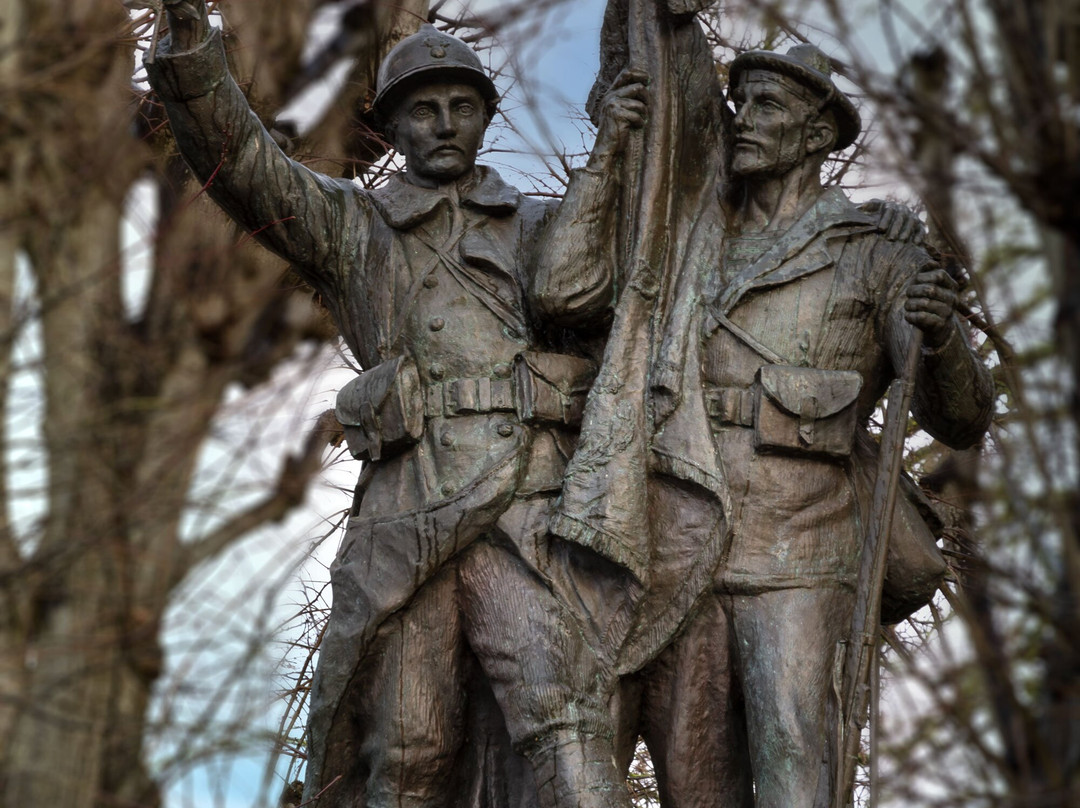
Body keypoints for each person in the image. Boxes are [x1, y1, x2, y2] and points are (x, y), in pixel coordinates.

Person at [146, 3, 646, 807]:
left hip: (527, 509)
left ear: (487, 116)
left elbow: (645, 266)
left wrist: (626, 140)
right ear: (388, 126)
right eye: (423, 108)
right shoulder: (357, 224)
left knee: (570, 730)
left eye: (463, 107)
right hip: (411, 513)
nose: (445, 124)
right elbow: (244, 163)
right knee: (407, 750)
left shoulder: (546, 226)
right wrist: (188, 49)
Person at [533, 33, 995, 808]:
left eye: (767, 105)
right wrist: (614, 149)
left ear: (817, 134)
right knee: (697, 782)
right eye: (740, 100)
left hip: (803, 553)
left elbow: (961, 419)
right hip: (683, 537)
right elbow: (565, 291)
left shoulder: (877, 252)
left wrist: (943, 336)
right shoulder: (688, 233)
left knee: (795, 770)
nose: (742, 118)